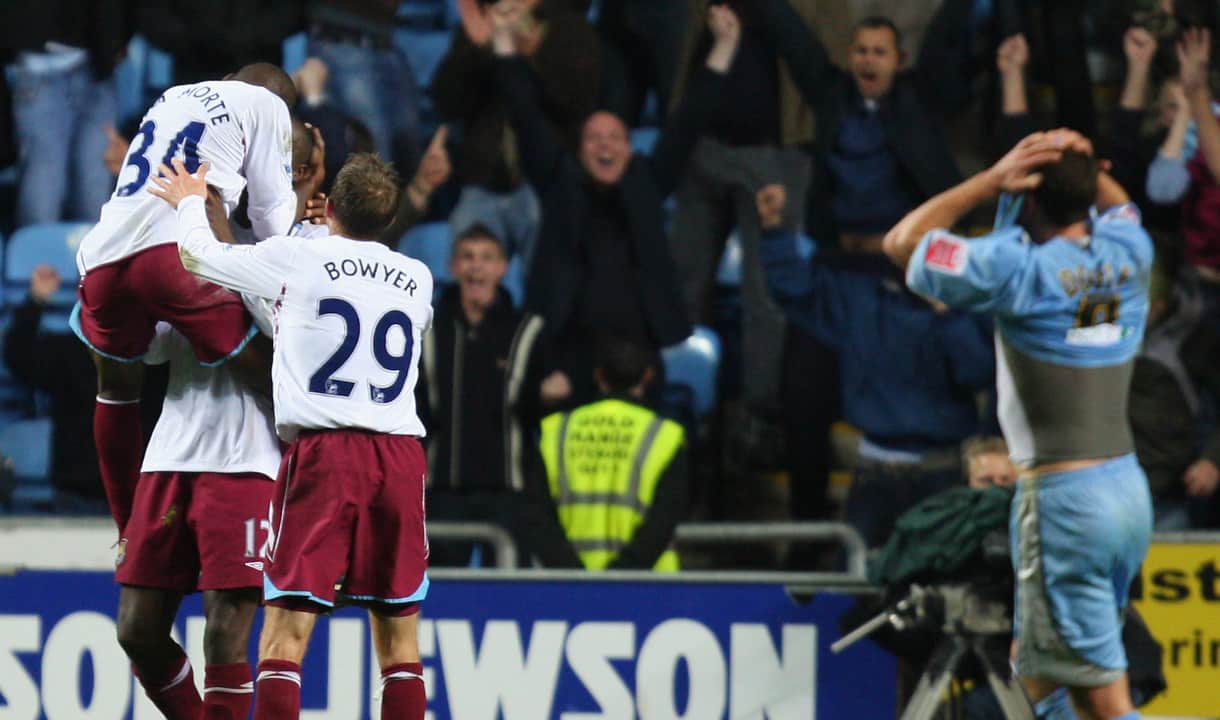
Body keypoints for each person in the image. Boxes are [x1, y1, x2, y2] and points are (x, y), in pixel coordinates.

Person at [149, 152, 433, 720]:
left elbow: (197, 256)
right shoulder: (418, 278)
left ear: (331, 208)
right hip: (399, 456)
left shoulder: (301, 258)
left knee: (284, 638)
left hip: (325, 454)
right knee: (400, 646)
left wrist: (187, 204)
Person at [883, 129, 1154, 720]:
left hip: (1066, 505)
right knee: (1038, 670)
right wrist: (1082, 162)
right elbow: (1121, 205)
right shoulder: (1128, 252)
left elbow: (904, 240)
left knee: (1106, 699)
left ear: (1026, 195)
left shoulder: (1017, 270)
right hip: (1126, 490)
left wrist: (991, 177)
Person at [73, 63, 309, 536]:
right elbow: (269, 216)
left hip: (103, 254)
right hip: (174, 253)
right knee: (272, 376)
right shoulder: (268, 107)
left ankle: (126, 530)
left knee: (116, 391)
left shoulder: (174, 94)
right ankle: (316, 511)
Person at [492, 0, 740, 406]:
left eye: (615, 138)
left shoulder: (648, 181)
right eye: (595, 139)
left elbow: (688, 121)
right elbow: (525, 113)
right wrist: (502, 39)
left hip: (638, 357)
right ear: (580, 150)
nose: (605, 145)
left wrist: (724, 48)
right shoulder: (559, 180)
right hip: (569, 357)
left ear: (629, 149)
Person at [757, 182, 994, 549]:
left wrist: (945, 313)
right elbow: (795, 291)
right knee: (857, 591)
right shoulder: (861, 295)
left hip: (942, 472)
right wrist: (774, 230)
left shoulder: (965, 298)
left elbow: (976, 372)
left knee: (941, 588)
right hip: (874, 473)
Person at [111, 316, 280, 720]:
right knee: (137, 631)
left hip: (248, 457)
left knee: (224, 631)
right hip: (171, 453)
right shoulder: (178, 257)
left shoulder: (281, 254)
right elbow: (147, 351)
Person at [416, 222, 552, 566]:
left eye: (487, 258)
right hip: (444, 486)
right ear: (453, 267)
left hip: (508, 488)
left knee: (512, 592)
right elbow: (417, 411)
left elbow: (538, 410)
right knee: (439, 591)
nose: (477, 266)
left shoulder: (528, 330)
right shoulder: (429, 331)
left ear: (503, 267)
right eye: (468, 257)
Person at [432, 0, 599, 268]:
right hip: (483, 181)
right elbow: (447, 103)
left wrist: (531, 59)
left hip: (547, 184)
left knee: (550, 277)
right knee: (468, 268)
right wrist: (478, 50)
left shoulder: (570, 29)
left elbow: (578, 102)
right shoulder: (485, 24)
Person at [532, 335, 688, 570]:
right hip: (650, 592)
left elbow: (538, 517)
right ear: (648, 376)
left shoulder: (555, 430)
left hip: (567, 591)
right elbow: (663, 522)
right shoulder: (666, 435)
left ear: (598, 376)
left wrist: (575, 576)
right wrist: (621, 576)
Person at [1, 0, 132, 225]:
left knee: (94, 182)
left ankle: (97, 259)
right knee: (46, 180)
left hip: (99, 64)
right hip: (41, 67)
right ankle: (36, 257)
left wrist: (117, 39)